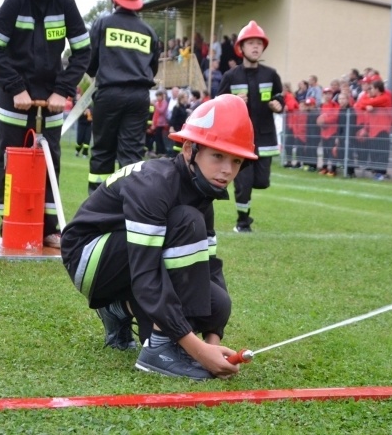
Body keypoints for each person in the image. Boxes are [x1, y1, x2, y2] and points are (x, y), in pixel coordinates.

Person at [60, 95, 256, 381]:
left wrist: (211, 342)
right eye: (217, 156)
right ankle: (158, 351)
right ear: (190, 150)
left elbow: (209, 272)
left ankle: (118, 310)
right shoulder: (155, 185)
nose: (227, 170)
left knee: (218, 301)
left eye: (236, 160)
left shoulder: (202, 192)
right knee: (186, 222)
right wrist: (197, 350)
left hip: (132, 262)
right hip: (88, 258)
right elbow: (146, 274)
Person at [0, 0, 91, 249]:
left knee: (51, 160)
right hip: (14, 97)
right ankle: (10, 223)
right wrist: (16, 88)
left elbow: (83, 52)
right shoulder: (14, 4)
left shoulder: (66, 5)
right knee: (11, 161)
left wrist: (62, 90)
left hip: (51, 98)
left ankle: (49, 228)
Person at [86, 0, 160, 194]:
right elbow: (152, 67)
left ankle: (98, 203)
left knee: (102, 151)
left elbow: (90, 61)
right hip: (139, 97)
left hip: (109, 93)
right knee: (132, 155)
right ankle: (130, 205)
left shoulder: (103, 23)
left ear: (114, 0)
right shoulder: (149, 32)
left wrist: (100, 73)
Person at [217, 20, 284, 232]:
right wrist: (233, 100)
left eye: (259, 43)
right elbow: (218, 103)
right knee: (243, 183)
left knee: (261, 181)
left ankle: (246, 195)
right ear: (241, 48)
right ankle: (242, 222)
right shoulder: (231, 76)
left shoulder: (271, 74)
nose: (255, 47)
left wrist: (278, 104)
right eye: (251, 43)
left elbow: (281, 97)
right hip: (240, 139)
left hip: (264, 138)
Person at [74, 88, 93, 158]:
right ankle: (77, 150)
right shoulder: (77, 105)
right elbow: (76, 113)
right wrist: (83, 113)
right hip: (81, 124)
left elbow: (92, 110)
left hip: (89, 124)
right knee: (79, 140)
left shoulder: (89, 105)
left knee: (87, 140)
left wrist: (89, 112)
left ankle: (85, 153)